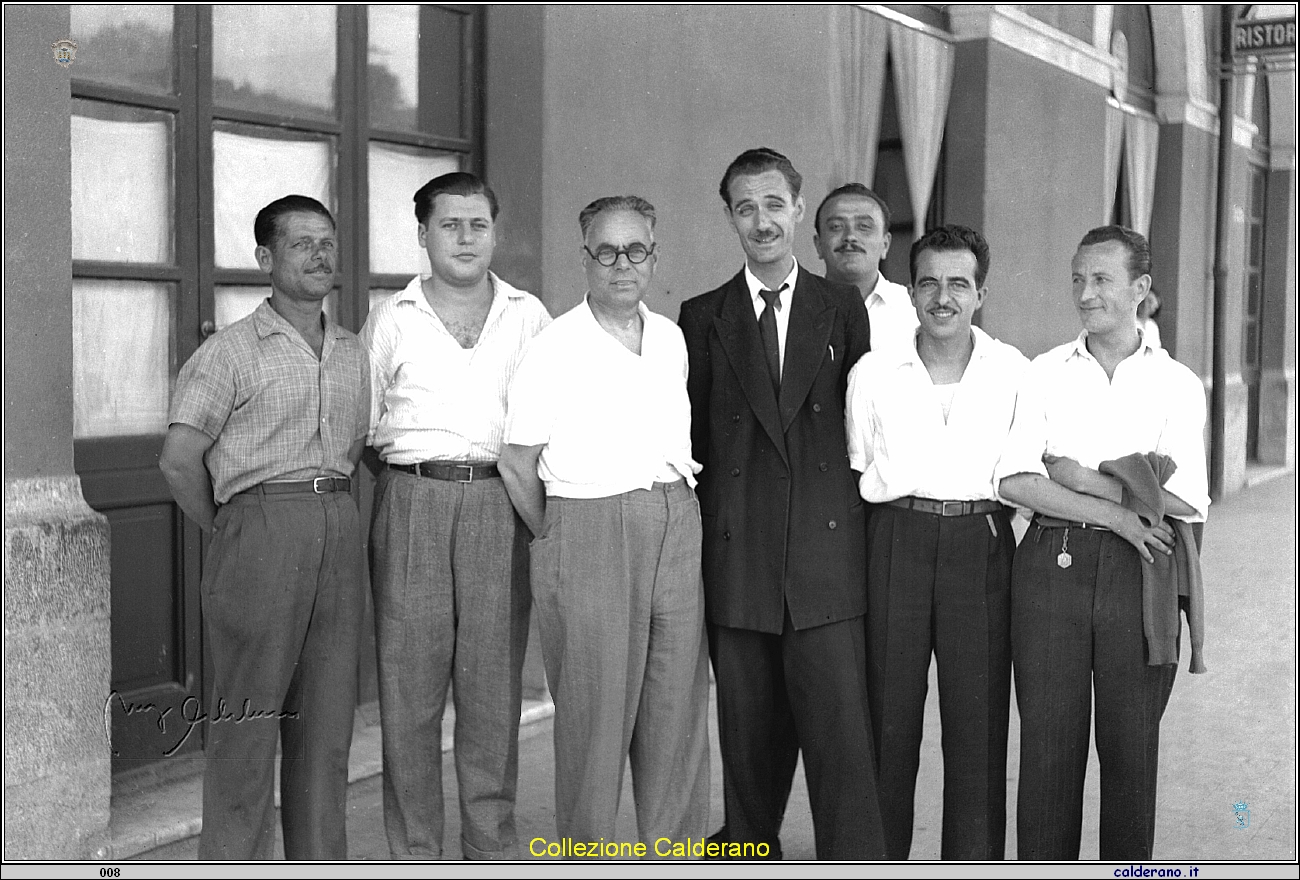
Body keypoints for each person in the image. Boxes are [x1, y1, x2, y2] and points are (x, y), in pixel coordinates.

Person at [678, 148, 885, 860]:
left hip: (827, 558)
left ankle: (852, 860)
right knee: (746, 731)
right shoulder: (702, 316)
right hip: (740, 557)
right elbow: (699, 439)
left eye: (774, 205)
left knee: (839, 735)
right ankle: (746, 848)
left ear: (799, 210)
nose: (761, 221)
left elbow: (859, 427)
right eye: (745, 207)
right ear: (730, 217)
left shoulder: (842, 307)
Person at [159, 195, 369, 860]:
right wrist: (231, 528)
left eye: (327, 241)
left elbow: (358, 447)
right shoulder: (230, 352)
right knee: (247, 730)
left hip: (338, 526)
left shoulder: (352, 352)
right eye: (301, 242)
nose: (319, 254)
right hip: (260, 529)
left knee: (327, 727)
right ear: (265, 259)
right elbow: (179, 460)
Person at [499, 195, 710, 850]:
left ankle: (672, 855)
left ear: (654, 254)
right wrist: (559, 536)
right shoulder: (554, 346)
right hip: (587, 524)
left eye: (636, 249)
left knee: (676, 712)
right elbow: (515, 463)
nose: (623, 264)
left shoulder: (670, 337)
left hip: (675, 518)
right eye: (607, 251)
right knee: (595, 720)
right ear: (585, 257)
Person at [996, 225, 1210, 860]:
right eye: (1077, 279)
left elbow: (1186, 500)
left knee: (1130, 754)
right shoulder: (1044, 372)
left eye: (1101, 279)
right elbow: (1015, 479)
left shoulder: (1177, 384)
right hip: (1051, 566)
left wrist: (1085, 477)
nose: (1084, 293)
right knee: (1048, 754)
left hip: (1141, 571)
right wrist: (1124, 504)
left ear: (1140, 289)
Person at [360, 171, 551, 859]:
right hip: (413, 502)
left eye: (478, 224)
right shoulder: (392, 319)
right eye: (450, 224)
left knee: (491, 693)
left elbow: (548, 418)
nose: (466, 238)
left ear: (495, 231)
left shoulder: (529, 315)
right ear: (422, 235)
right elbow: (362, 425)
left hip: (501, 506)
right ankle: (414, 854)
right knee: (409, 695)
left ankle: (489, 849)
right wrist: (422, 482)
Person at [845, 224, 1028, 859]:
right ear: (912, 290)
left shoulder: (1013, 371)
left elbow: (1023, 469)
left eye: (958, 283)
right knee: (887, 720)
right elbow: (858, 462)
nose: (942, 297)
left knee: (977, 726)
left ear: (981, 292)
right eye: (928, 282)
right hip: (896, 538)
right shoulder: (873, 372)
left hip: (981, 543)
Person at [814, 182, 918, 351]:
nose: (850, 237)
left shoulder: (912, 309)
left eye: (864, 227)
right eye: (836, 227)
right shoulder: (798, 306)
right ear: (818, 245)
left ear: (885, 244)